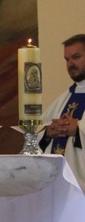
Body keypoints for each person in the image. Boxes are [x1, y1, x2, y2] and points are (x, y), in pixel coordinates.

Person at [39, 34, 85, 190]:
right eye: (67, 60)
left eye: (76, 57)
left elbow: (78, 128)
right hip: (58, 189)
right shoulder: (64, 98)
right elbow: (38, 134)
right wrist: (48, 133)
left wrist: (78, 130)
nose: (70, 64)